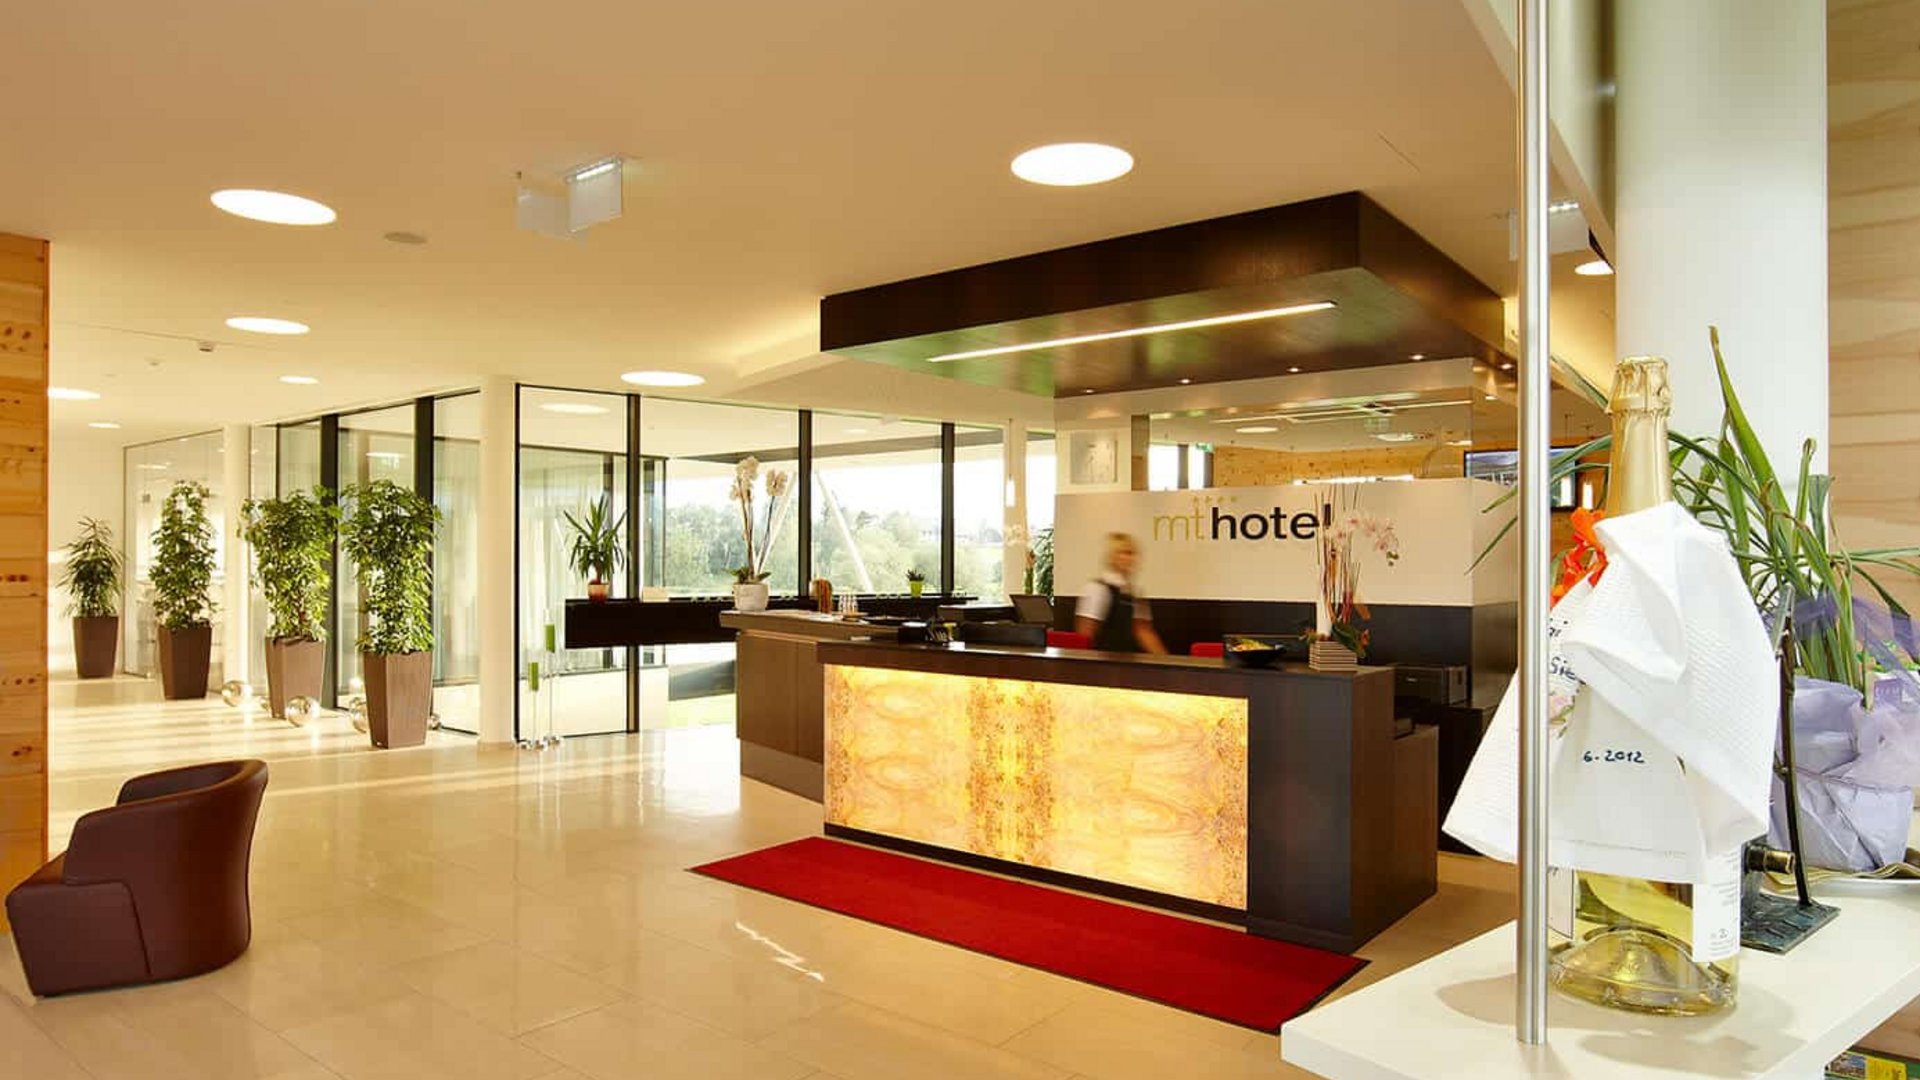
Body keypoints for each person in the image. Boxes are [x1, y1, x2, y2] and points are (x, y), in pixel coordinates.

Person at [1074, 532, 1168, 654]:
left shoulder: (1134, 592)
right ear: (1111, 556)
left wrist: (1166, 662)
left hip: (1128, 664)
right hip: (1103, 664)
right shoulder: (1097, 589)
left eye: (1132, 553)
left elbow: (1143, 632)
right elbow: (1085, 635)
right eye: (1124, 552)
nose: (1130, 558)